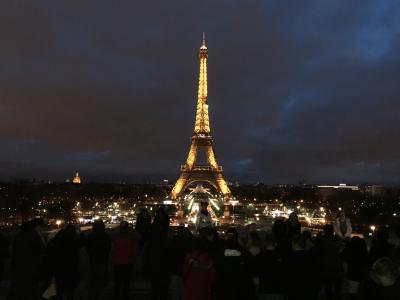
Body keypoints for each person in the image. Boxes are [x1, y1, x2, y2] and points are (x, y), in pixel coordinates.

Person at [8, 218, 46, 300]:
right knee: (29, 291)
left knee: (19, 291)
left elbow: (13, 252)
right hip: (30, 269)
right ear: (36, 227)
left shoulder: (19, 236)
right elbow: (40, 252)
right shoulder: (35, 237)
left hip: (19, 269)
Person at [46, 224, 83, 300]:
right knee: (70, 290)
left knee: (59, 289)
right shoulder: (73, 242)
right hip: (71, 269)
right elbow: (83, 241)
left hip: (58, 270)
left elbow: (49, 251)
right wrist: (80, 232)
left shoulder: (56, 241)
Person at [315, 224, 344, 300]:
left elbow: (316, 251)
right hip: (337, 268)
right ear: (332, 231)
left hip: (326, 268)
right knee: (337, 290)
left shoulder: (321, 241)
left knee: (328, 289)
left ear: (324, 231)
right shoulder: (337, 240)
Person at [85, 219, 111, 300]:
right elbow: (108, 248)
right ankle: (99, 295)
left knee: (93, 281)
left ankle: (91, 296)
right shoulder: (106, 236)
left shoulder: (90, 236)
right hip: (103, 260)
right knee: (102, 281)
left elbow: (87, 248)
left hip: (93, 260)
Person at [112, 221, 136, 300]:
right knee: (126, 283)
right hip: (128, 263)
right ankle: (126, 296)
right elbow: (139, 237)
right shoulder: (131, 236)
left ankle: (116, 296)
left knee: (117, 283)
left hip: (117, 262)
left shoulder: (115, 236)